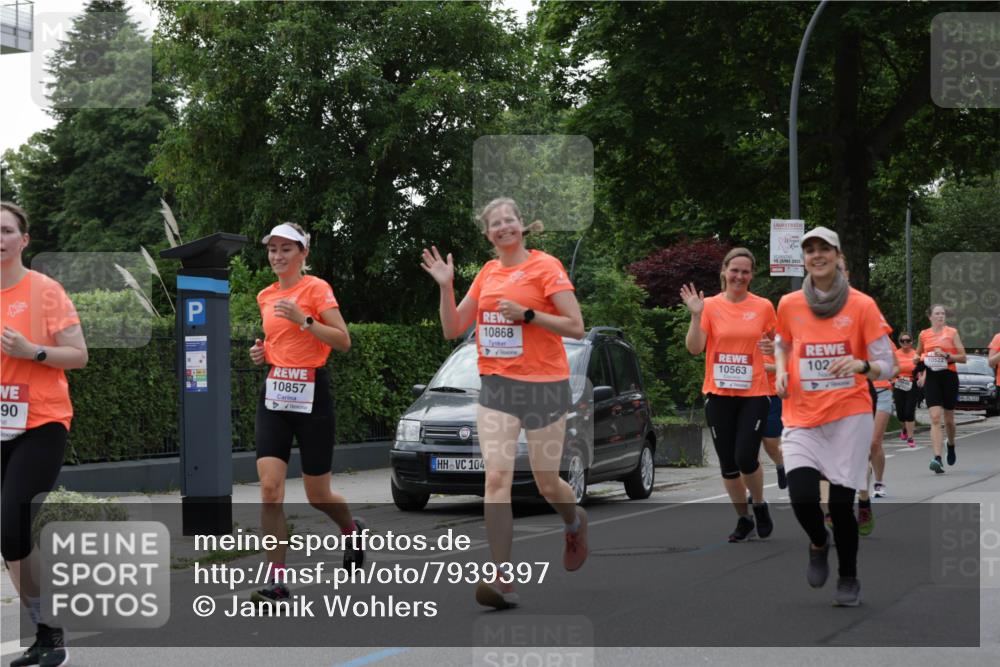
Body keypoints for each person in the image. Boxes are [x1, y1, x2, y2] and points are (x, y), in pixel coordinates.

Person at [421, 198, 587, 610]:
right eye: (494, 223)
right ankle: (501, 578)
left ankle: (573, 521)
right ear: (487, 234)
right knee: (495, 479)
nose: (503, 227)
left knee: (547, 482)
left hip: (546, 385)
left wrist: (529, 315)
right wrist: (446, 286)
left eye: (509, 220)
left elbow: (576, 326)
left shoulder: (545, 267)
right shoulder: (487, 273)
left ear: (521, 226)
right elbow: (452, 328)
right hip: (497, 385)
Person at [775, 226, 895, 607]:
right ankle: (817, 541)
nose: (816, 255)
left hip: (849, 415)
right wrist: (780, 369)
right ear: (804, 258)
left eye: (824, 248)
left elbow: (888, 364)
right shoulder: (790, 303)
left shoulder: (862, 305)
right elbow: (782, 341)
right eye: (809, 249)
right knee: (802, 496)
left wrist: (861, 364)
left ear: (838, 256)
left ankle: (848, 577)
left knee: (842, 506)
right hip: (801, 414)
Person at [248, 222, 364, 604]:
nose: (277, 256)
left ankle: (351, 529)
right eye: (272, 250)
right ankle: (277, 581)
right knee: (270, 489)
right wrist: (263, 353)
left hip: (313, 394)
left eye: (286, 249)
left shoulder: (317, 289)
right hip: (276, 394)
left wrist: (305, 320)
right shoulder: (265, 295)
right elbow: (277, 341)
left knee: (317, 493)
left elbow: (343, 341)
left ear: (303, 254)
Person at [2, 201, 89, 667]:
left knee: (12, 521)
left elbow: (78, 355)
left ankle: (50, 632)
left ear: (24, 240)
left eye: (5, 230)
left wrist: (32, 350)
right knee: (8, 536)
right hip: (0, 424)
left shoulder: (45, 291)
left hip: (42, 422)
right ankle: (45, 632)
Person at [681, 248, 776, 543]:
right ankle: (743, 518)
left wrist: (776, 353)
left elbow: (780, 345)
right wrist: (696, 316)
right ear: (724, 271)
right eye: (734, 270)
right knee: (728, 463)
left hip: (755, 392)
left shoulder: (763, 307)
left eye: (745, 271)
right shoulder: (708, 306)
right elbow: (695, 349)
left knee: (745, 456)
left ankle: (758, 503)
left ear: (752, 275)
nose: (739, 276)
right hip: (719, 392)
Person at [916, 304, 967, 473]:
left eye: (942, 314)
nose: (940, 316)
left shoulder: (952, 333)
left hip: (949, 377)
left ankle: (951, 445)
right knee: (935, 417)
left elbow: (963, 357)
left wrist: (947, 355)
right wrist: (918, 364)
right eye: (937, 314)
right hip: (932, 378)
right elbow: (918, 355)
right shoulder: (924, 334)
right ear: (930, 317)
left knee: (949, 420)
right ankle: (937, 458)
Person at [892, 332, 921, 446]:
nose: (905, 343)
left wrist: (921, 377)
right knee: (900, 412)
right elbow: (891, 368)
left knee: (909, 411)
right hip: (898, 383)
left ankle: (910, 438)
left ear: (912, 342)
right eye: (902, 341)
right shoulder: (895, 354)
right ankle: (904, 429)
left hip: (911, 384)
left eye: (908, 340)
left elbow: (921, 368)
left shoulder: (916, 354)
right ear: (899, 342)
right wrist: (892, 380)